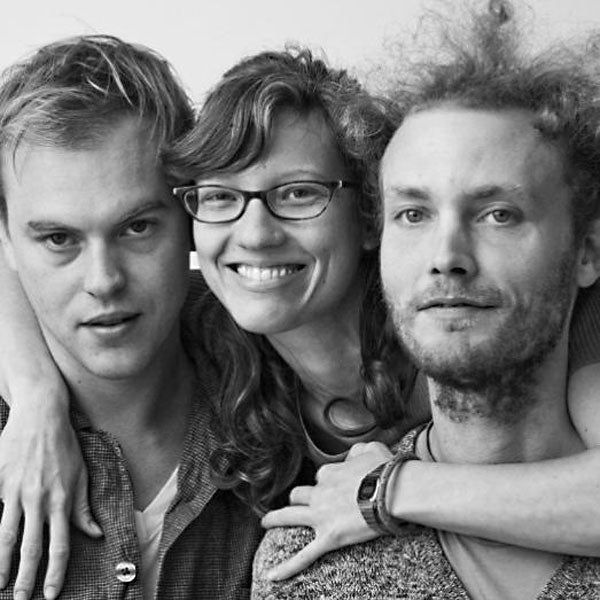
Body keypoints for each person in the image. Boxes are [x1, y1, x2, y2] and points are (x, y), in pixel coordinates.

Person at [1, 32, 600, 600]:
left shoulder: (477, 318)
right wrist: (35, 398)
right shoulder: (207, 323)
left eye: (297, 194)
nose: (255, 235)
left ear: (371, 215)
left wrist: (389, 490)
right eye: (222, 197)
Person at [252, 3, 600, 598]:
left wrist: (391, 490)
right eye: (413, 214)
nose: (447, 256)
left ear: (588, 251)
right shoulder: (308, 564)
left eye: (498, 214)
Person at [0, 35, 262, 600]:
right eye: (59, 239)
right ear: (6, 240)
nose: (103, 280)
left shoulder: (280, 390)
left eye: (137, 227)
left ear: (191, 214)